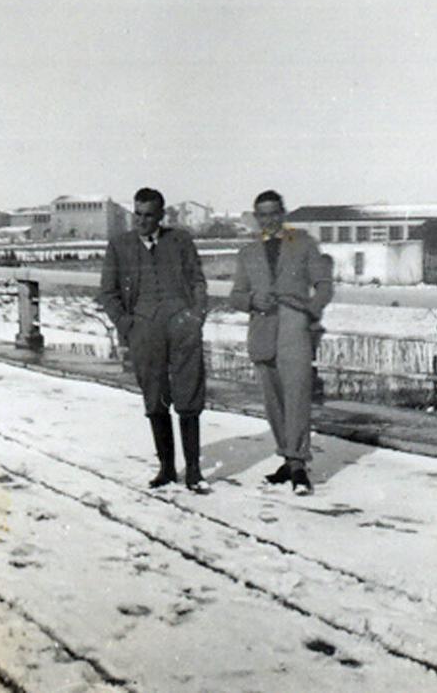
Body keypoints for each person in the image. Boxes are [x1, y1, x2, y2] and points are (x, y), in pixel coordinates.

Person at [99, 187, 210, 492]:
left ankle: (195, 471)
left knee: (189, 396)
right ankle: (166, 469)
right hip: (145, 331)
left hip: (182, 327)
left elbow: (198, 281)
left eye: (149, 215)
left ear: (161, 215)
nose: (142, 221)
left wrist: (196, 316)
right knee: (155, 396)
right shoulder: (119, 246)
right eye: (138, 214)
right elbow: (107, 293)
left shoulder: (181, 241)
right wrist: (127, 324)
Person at [230, 190, 333, 495]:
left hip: (294, 327)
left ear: (283, 214)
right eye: (263, 214)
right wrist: (251, 299)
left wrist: (308, 314)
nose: (269, 219)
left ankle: (299, 464)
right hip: (262, 329)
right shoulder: (247, 253)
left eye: (274, 213)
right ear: (256, 217)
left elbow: (324, 285)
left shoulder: (302, 243)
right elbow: (235, 296)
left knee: (298, 394)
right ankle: (287, 459)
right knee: (273, 399)